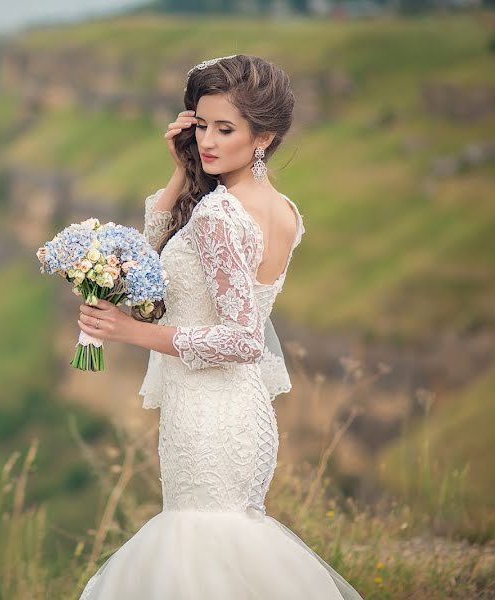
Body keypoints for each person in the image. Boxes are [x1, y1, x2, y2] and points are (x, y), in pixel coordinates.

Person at [75, 54, 365, 599]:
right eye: (201, 125)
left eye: (225, 129)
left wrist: (127, 331)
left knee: (198, 554)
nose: (207, 140)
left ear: (264, 137)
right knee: (226, 557)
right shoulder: (281, 208)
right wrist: (182, 172)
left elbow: (240, 338)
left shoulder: (218, 216)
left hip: (208, 414)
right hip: (238, 412)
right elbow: (165, 274)